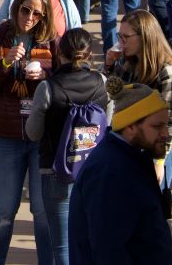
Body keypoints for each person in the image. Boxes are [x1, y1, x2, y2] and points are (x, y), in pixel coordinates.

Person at [0, 0, 58, 265]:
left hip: (41, 137)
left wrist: (46, 81)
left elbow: (64, 85)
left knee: (41, 209)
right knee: (5, 210)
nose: (30, 18)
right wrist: (5, 64)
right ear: (17, 7)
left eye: (38, 14)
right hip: (9, 134)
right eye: (26, 10)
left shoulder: (50, 40)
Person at [25, 28, 108, 265]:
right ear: (90, 54)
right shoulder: (101, 83)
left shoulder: (48, 88)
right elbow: (108, 124)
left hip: (55, 171)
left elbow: (33, 133)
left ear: (58, 53)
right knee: (91, 240)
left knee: (62, 246)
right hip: (93, 172)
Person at [68, 78, 172, 264]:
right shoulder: (111, 172)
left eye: (166, 125)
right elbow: (108, 250)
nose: (166, 133)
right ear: (130, 125)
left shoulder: (131, 157)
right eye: (157, 126)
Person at [104, 9, 172, 213]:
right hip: (130, 143)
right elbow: (115, 97)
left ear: (145, 37)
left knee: (151, 208)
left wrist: (159, 160)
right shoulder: (128, 64)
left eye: (126, 37)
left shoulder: (167, 73)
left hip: (156, 147)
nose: (121, 42)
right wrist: (110, 66)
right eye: (119, 36)